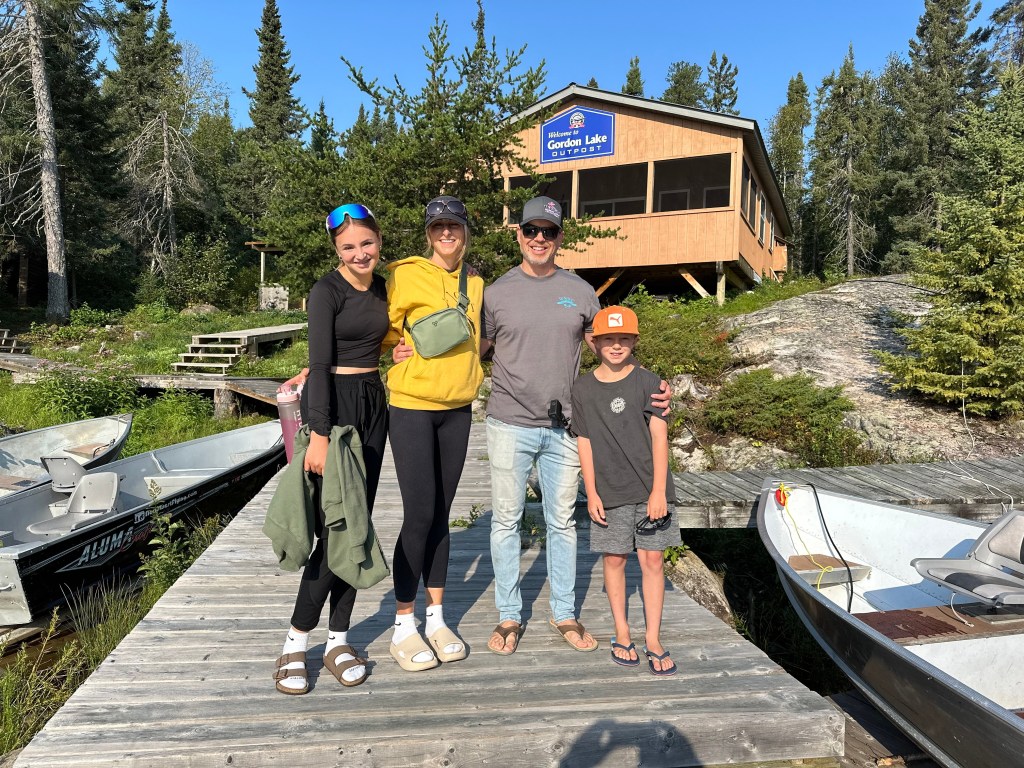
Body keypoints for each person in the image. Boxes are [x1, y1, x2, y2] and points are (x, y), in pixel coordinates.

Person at [480, 196, 672, 655]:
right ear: (520, 235)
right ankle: (509, 615)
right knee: (506, 521)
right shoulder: (495, 292)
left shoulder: (582, 292)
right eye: (532, 231)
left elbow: (610, 348)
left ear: (560, 237)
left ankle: (563, 612)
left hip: (565, 425)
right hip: (508, 421)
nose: (540, 239)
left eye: (549, 231)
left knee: (562, 522)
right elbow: (475, 351)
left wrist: (650, 390)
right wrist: (405, 352)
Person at [272, 203, 391, 694]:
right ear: (336, 250)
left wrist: (394, 350)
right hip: (335, 413)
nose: (360, 253)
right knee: (332, 528)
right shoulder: (325, 291)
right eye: (348, 246)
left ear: (378, 240)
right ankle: (295, 643)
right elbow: (319, 365)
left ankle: (338, 639)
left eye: (366, 243)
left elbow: (376, 339)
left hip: (373, 406)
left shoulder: (385, 287)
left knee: (357, 526)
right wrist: (318, 433)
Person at [384, 195, 484, 671]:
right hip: (411, 407)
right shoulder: (405, 273)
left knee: (442, 513)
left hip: (458, 408)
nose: (447, 233)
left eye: (455, 225)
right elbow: (379, 327)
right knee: (419, 513)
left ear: (466, 231)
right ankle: (404, 624)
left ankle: (437, 618)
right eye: (438, 226)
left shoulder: (477, 283)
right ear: (428, 233)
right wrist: (391, 352)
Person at [570, 305, 678, 676]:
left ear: (634, 341)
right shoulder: (582, 387)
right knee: (614, 559)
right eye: (608, 340)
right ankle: (622, 631)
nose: (616, 346)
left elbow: (660, 438)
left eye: (624, 339)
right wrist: (592, 491)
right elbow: (583, 440)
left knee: (652, 561)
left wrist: (659, 491)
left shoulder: (650, 383)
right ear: (595, 343)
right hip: (609, 490)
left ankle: (653, 638)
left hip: (650, 488)